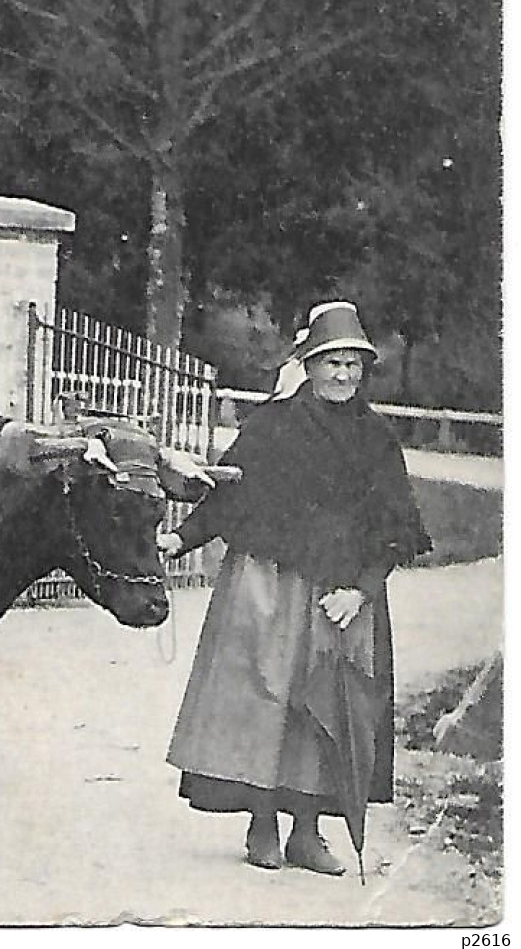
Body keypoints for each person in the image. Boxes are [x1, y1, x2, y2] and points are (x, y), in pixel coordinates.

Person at [158, 301, 430, 876]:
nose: (343, 375)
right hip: (268, 585)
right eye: (331, 362)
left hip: (342, 597)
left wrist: (360, 591)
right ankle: (262, 825)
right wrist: (179, 540)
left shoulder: (377, 438)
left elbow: (392, 528)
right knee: (265, 700)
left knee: (327, 708)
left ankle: (307, 833)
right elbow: (228, 494)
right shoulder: (273, 426)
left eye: (353, 364)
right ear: (307, 365)